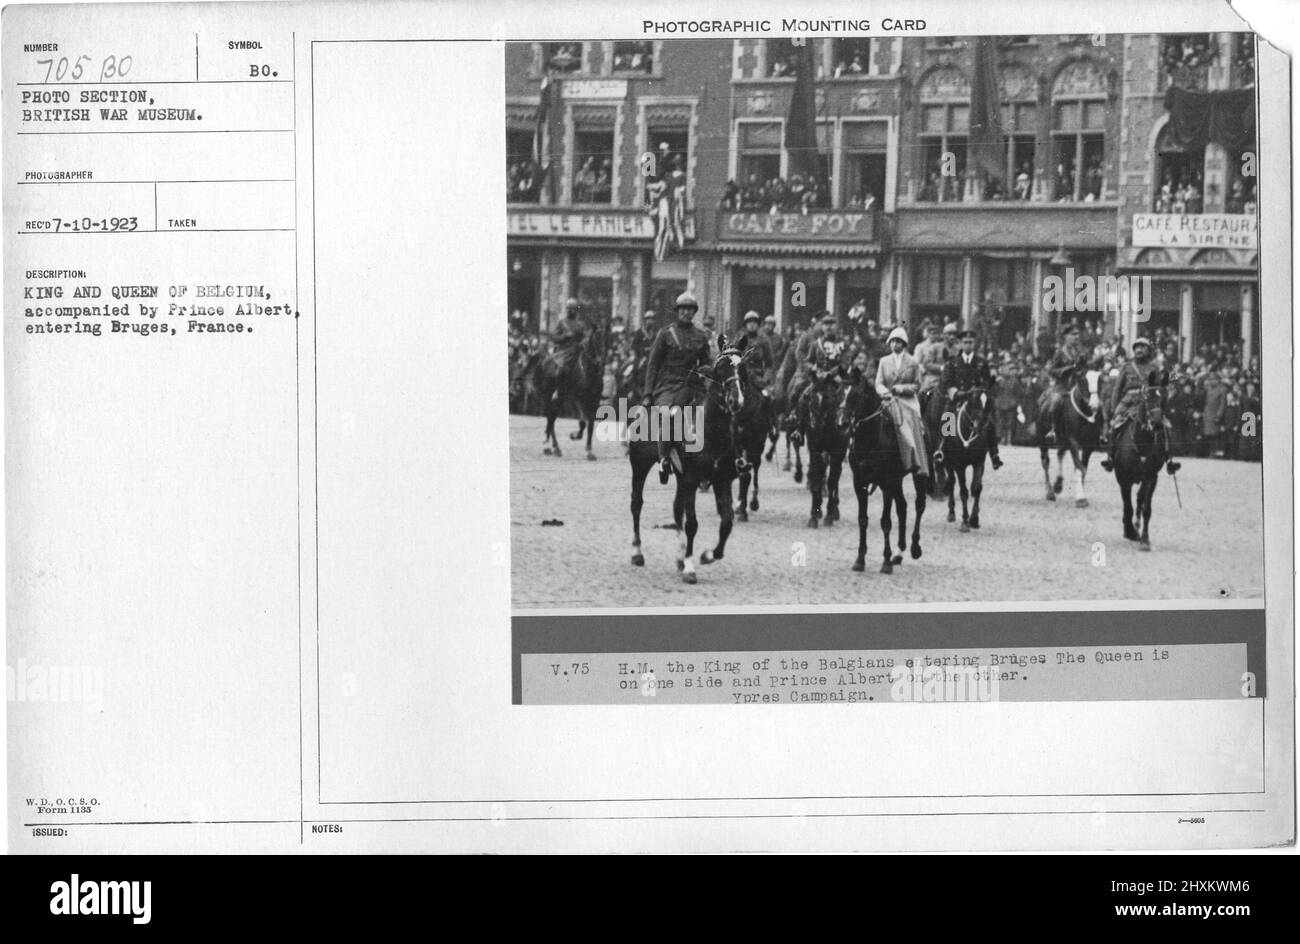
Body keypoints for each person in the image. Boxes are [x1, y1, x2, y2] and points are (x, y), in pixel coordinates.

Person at [643, 291, 711, 483]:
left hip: (691, 386)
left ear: (694, 312)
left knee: (704, 417)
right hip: (667, 386)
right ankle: (664, 459)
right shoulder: (665, 334)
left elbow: (706, 364)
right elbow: (653, 364)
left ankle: (704, 464)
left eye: (690, 310)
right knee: (667, 415)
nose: (686, 313)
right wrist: (648, 394)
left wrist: (707, 380)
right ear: (677, 311)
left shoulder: (701, 336)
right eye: (683, 309)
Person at [1100, 337, 1180, 475]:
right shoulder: (1126, 367)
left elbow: (1160, 387)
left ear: (1148, 350)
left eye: (1142, 347)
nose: (1139, 350)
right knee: (1115, 425)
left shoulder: (1154, 367)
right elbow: (1117, 390)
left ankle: (1168, 459)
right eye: (1137, 347)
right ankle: (1110, 457)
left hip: (1149, 403)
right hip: (1128, 403)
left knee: (1165, 426)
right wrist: (1115, 409)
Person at [939, 330, 1003, 468]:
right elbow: (947, 382)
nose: (968, 345)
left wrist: (986, 385)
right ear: (961, 344)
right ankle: (942, 449)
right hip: (958, 398)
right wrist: (958, 393)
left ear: (974, 344)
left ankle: (994, 454)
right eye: (965, 342)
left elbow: (987, 382)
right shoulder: (953, 362)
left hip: (976, 398)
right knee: (947, 416)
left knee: (989, 421)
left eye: (971, 342)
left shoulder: (981, 362)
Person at [874, 326, 931, 478]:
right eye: (892, 341)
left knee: (909, 421)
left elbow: (917, 385)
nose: (894, 345)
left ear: (904, 344)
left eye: (898, 342)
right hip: (888, 399)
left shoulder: (912, 362)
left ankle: (913, 455)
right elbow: (878, 382)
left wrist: (902, 388)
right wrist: (884, 392)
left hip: (907, 401)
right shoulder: (884, 361)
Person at [1043, 323, 1088, 444]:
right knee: (1056, 401)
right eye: (1073, 334)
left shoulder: (1081, 352)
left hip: (1077, 386)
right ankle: (1053, 430)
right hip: (1062, 386)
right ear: (1066, 336)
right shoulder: (1059, 353)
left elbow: (1085, 368)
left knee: (1093, 401)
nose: (1077, 337)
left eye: (1078, 334)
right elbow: (1052, 370)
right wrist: (1067, 369)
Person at [550, 298, 588, 393]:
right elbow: (554, 337)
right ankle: (558, 391)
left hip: (578, 351)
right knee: (560, 369)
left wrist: (583, 341)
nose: (570, 311)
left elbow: (585, 337)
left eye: (573, 309)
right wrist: (565, 336)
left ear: (576, 310)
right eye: (568, 308)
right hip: (564, 351)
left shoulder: (581, 324)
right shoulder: (562, 323)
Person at [735, 310, 775, 390]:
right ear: (745, 325)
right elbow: (733, 358)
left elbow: (769, 364)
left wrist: (766, 378)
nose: (752, 324)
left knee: (768, 397)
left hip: (758, 376)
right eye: (749, 322)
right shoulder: (739, 339)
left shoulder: (764, 340)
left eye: (754, 322)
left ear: (758, 324)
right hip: (741, 376)